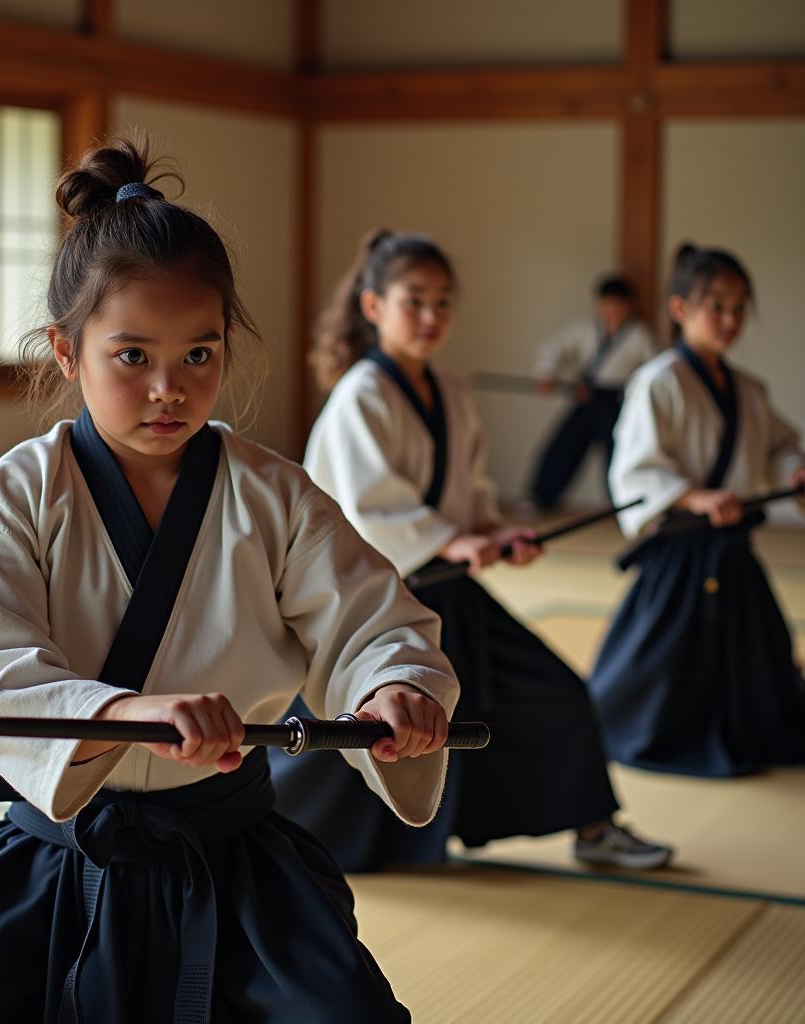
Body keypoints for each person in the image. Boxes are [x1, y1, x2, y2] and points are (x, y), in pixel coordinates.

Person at [0, 142, 461, 1024]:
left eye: (199, 355)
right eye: (132, 357)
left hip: (229, 852)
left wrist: (393, 690)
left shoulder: (272, 492)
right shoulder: (23, 490)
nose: (170, 389)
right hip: (56, 858)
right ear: (66, 350)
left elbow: (367, 618)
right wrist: (124, 714)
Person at [271, 230, 671, 874]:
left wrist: (492, 532)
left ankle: (596, 826)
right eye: (414, 301)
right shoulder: (359, 397)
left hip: (448, 591)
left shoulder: (451, 394)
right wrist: (456, 540)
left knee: (558, 693)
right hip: (371, 609)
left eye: (443, 302)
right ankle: (281, 847)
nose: (432, 317)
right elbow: (368, 512)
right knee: (351, 742)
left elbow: (470, 491)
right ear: (373, 307)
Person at [588, 243, 805, 777]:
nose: (730, 319)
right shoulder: (659, 381)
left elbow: (781, 445)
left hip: (732, 552)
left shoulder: (749, 391)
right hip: (680, 558)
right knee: (660, 665)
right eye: (717, 306)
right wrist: (693, 496)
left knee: (759, 657)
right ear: (680, 308)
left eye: (738, 307)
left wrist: (794, 472)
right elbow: (634, 469)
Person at [527, 274, 656, 510]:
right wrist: (547, 374)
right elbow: (554, 348)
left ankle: (622, 505)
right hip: (586, 395)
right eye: (608, 303)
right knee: (564, 446)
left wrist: (634, 396)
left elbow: (652, 370)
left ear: (629, 306)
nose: (613, 310)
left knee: (620, 454)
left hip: (617, 400)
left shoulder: (639, 334)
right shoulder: (584, 329)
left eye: (619, 304)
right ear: (599, 303)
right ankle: (540, 498)